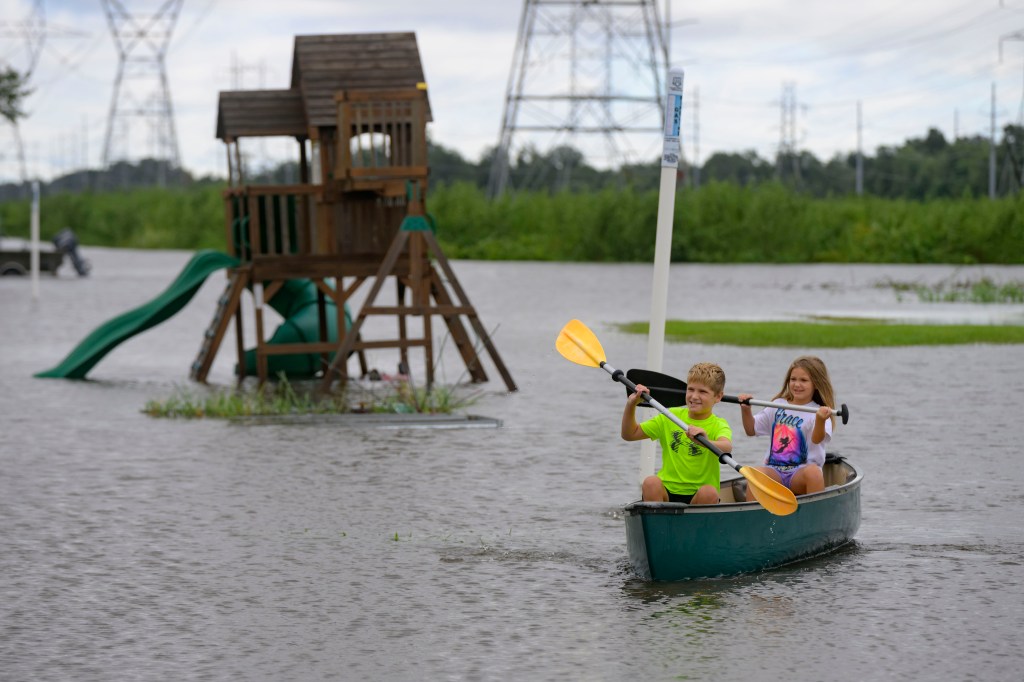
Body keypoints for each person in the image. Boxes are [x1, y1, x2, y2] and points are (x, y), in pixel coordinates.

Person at [621, 362, 733, 504]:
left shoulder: (718, 424)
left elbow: (727, 446)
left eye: (702, 392)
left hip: (699, 496)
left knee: (709, 492)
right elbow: (629, 434)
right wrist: (632, 404)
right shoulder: (670, 416)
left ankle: (695, 523)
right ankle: (658, 521)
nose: (694, 396)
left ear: (718, 397)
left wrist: (705, 441)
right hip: (667, 491)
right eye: (690, 389)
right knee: (650, 482)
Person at [737, 356, 837, 499]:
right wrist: (746, 409)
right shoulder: (777, 405)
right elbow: (751, 430)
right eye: (793, 379)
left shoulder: (819, 411)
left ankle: (814, 513)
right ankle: (753, 517)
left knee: (814, 473)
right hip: (775, 471)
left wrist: (820, 420)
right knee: (754, 475)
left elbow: (817, 439)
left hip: (801, 474)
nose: (797, 384)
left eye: (803, 380)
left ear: (816, 384)